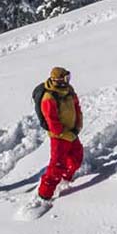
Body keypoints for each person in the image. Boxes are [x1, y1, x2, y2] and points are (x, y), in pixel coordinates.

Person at [36, 67, 83, 202]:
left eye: (69, 77)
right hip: (59, 137)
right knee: (57, 165)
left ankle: (65, 178)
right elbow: (52, 122)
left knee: (77, 157)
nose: (68, 81)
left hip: (72, 133)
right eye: (66, 78)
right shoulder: (49, 97)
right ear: (57, 79)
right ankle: (44, 194)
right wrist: (67, 134)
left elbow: (76, 106)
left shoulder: (69, 90)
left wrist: (78, 125)